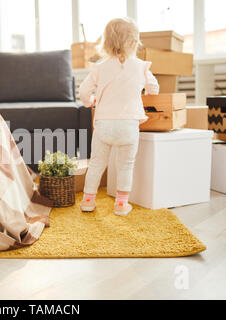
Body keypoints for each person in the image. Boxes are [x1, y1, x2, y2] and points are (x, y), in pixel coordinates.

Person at [79, 17, 159, 216]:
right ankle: (121, 204)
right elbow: (154, 88)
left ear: (105, 43)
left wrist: (91, 102)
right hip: (129, 125)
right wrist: (144, 90)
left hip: (104, 124)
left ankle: (88, 201)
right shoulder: (141, 66)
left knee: (97, 164)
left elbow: (83, 92)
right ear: (134, 42)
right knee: (126, 165)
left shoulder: (100, 67)